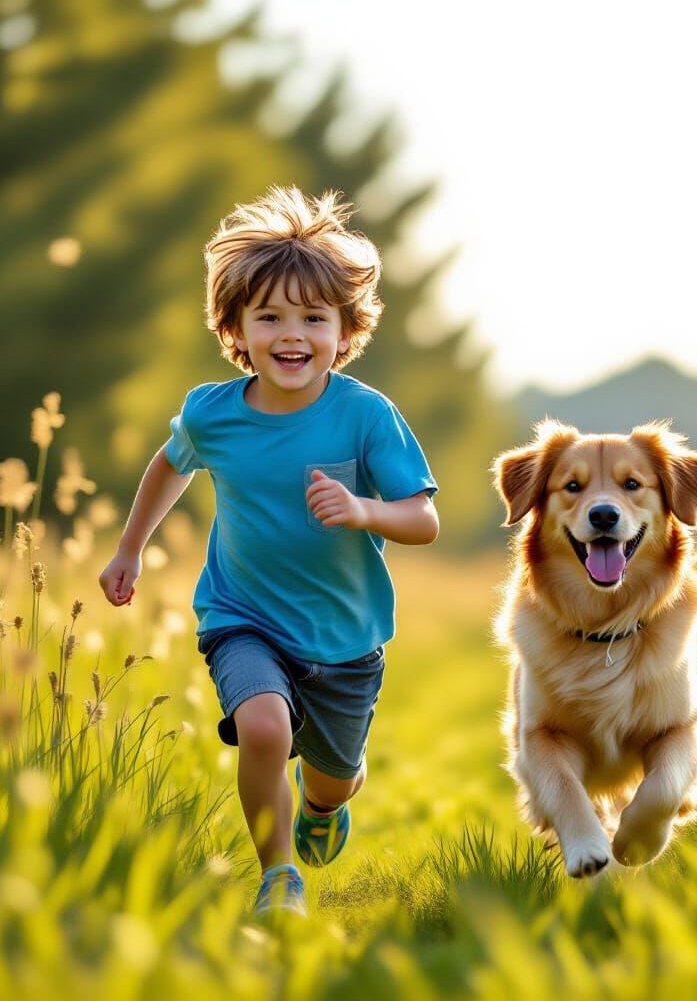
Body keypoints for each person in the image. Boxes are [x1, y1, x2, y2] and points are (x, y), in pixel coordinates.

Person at [99, 187, 439, 918]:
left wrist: (363, 510)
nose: (293, 334)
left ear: (346, 332)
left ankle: (321, 809)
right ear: (235, 329)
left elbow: (423, 519)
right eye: (271, 317)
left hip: (346, 637)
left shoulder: (366, 415)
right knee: (261, 726)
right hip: (242, 615)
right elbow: (170, 465)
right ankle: (278, 877)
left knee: (333, 780)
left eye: (314, 317)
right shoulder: (211, 413)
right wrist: (130, 548)